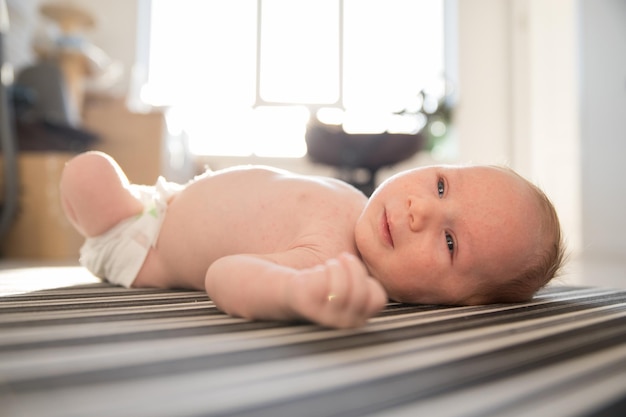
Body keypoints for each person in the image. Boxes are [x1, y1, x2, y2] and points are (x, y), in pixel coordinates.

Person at [60, 151, 565, 328]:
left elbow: (224, 275)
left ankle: (108, 211)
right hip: (168, 197)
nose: (421, 210)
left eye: (450, 242)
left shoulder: (330, 264)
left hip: (143, 236)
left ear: (457, 305)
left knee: (88, 173)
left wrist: (290, 292)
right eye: (440, 185)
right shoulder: (364, 210)